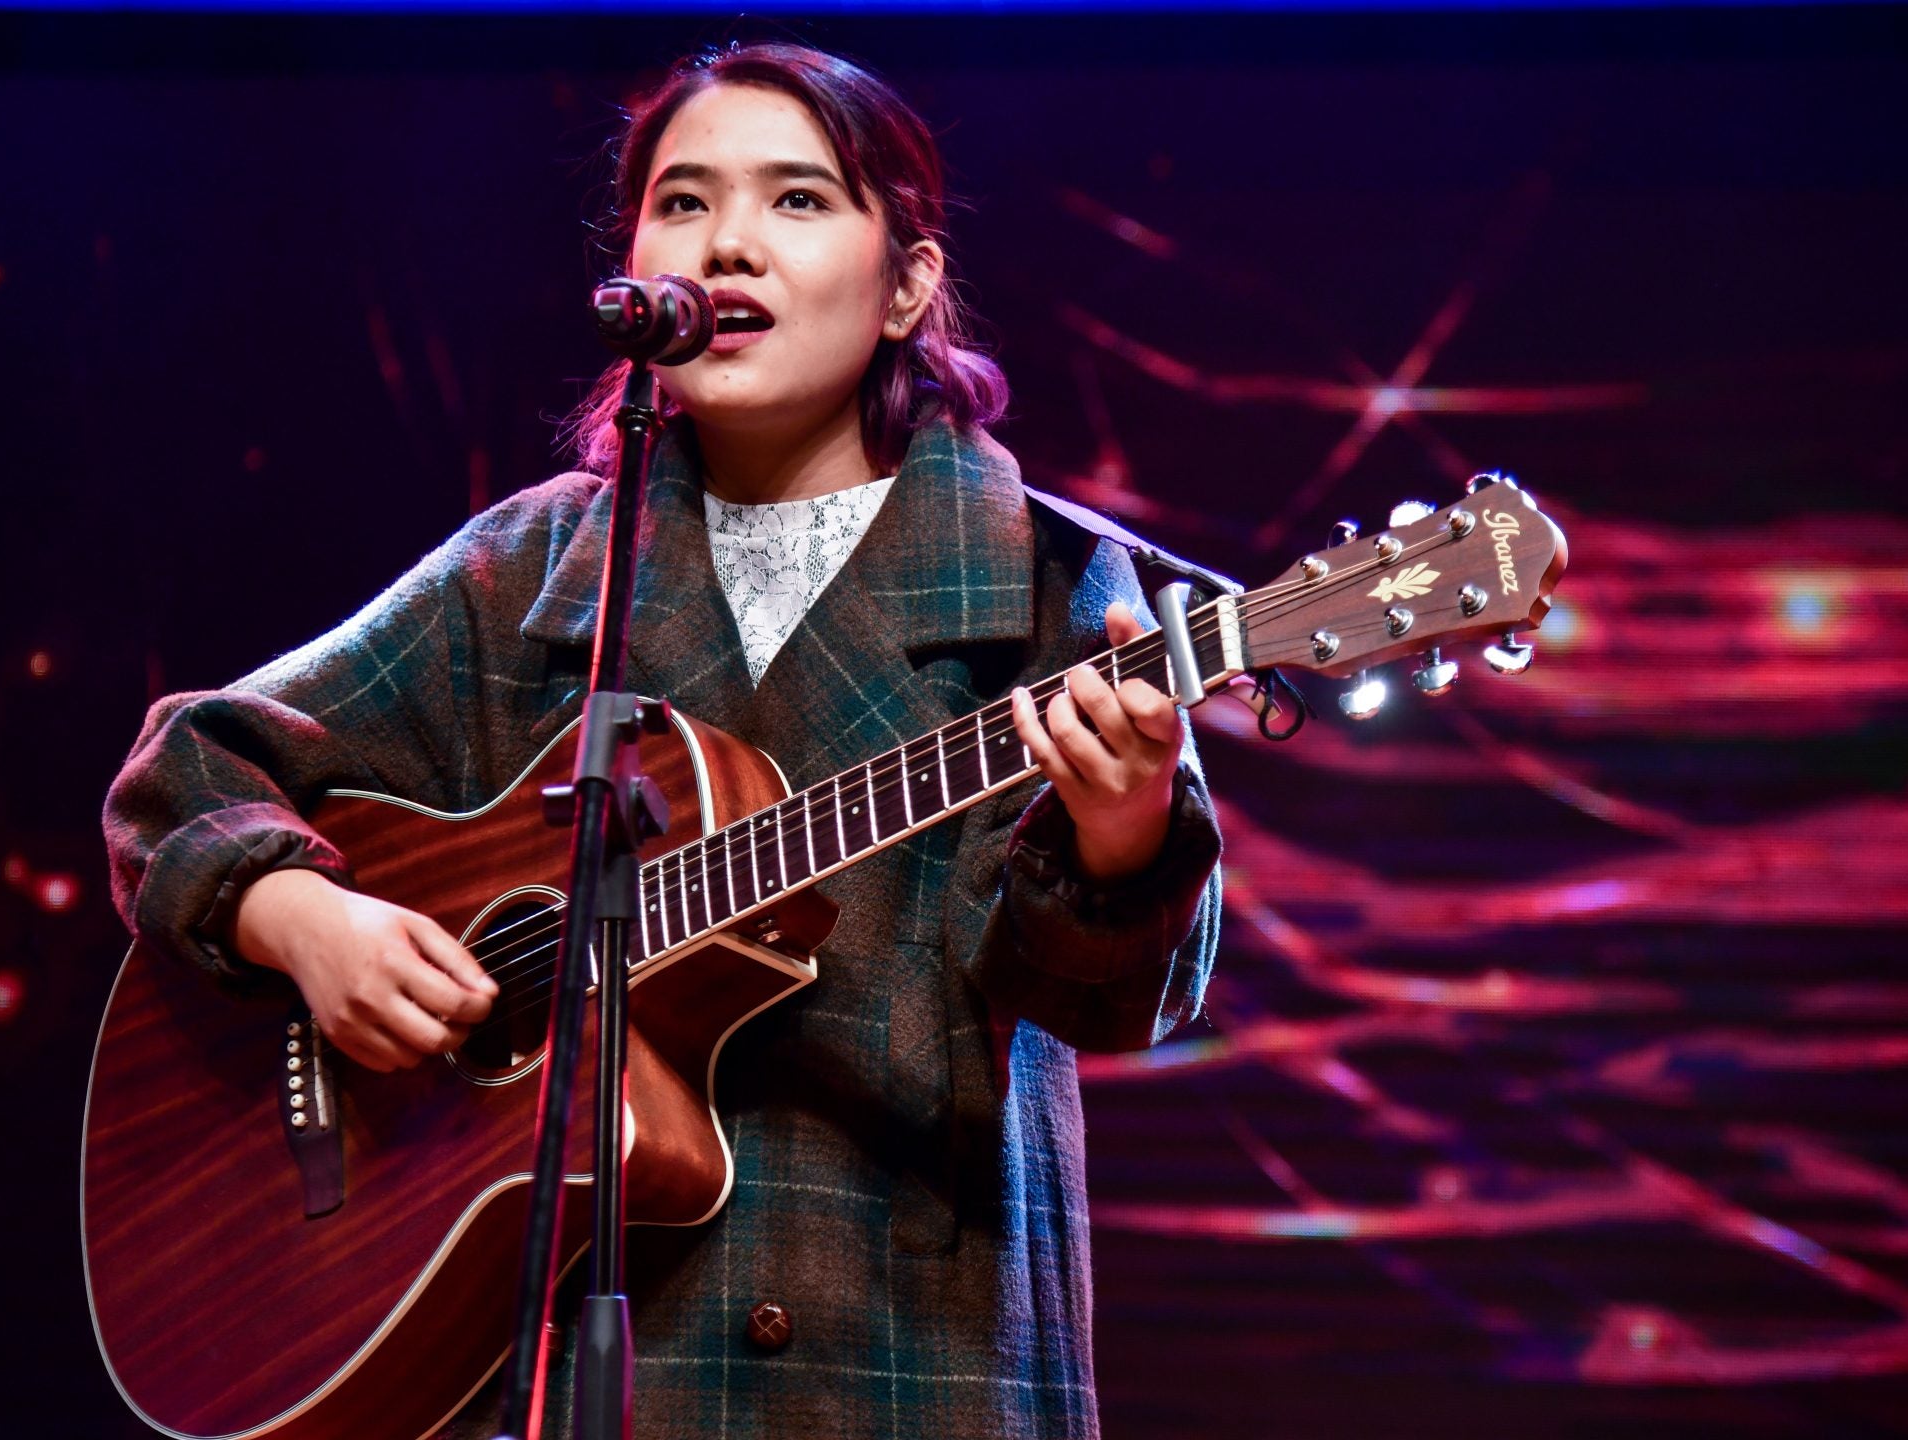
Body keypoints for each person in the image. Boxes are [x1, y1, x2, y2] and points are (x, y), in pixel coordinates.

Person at [102, 40, 1222, 1439]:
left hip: (905, 1354)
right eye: (684, 203)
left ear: (910, 285)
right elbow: (191, 764)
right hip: (571, 1370)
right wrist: (295, 914)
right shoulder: (530, 571)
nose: (731, 243)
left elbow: (1120, 998)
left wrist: (1122, 837)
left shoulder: (1049, 583)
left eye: (799, 201)